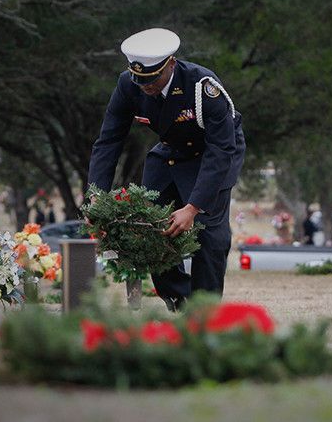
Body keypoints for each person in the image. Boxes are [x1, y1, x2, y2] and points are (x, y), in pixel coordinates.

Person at [88, 28, 245, 312]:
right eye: (140, 79)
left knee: (208, 233)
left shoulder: (202, 86)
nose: (145, 86)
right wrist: (96, 195)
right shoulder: (128, 85)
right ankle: (178, 297)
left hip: (214, 154)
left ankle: (203, 311)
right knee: (150, 225)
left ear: (171, 63)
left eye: (152, 78)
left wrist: (193, 207)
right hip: (170, 151)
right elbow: (109, 141)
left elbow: (221, 149)